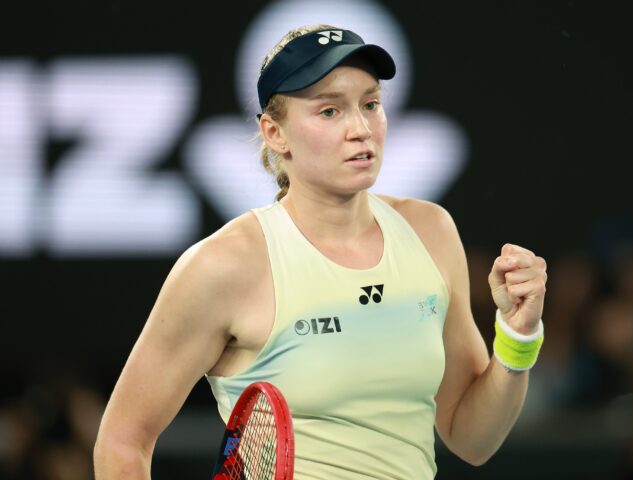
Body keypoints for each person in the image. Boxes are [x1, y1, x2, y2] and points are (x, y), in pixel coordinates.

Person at [93, 24, 548, 479]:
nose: (361, 129)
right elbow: (121, 442)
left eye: (370, 104)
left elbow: (472, 439)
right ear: (275, 133)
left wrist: (518, 336)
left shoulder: (431, 231)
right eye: (329, 111)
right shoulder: (223, 265)